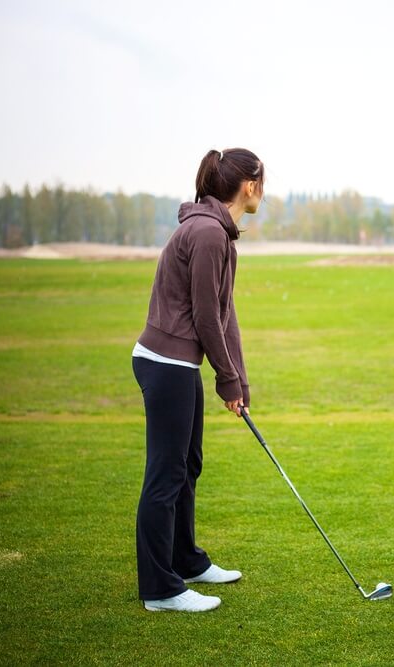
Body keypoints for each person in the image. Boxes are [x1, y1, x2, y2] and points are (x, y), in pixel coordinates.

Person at [131, 148, 263, 612]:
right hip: (165, 362)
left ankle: (185, 560)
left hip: (180, 364)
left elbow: (225, 315)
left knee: (187, 466)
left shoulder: (220, 235)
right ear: (249, 185)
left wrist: (237, 380)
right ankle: (160, 589)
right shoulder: (207, 234)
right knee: (165, 475)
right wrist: (225, 378)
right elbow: (206, 317)